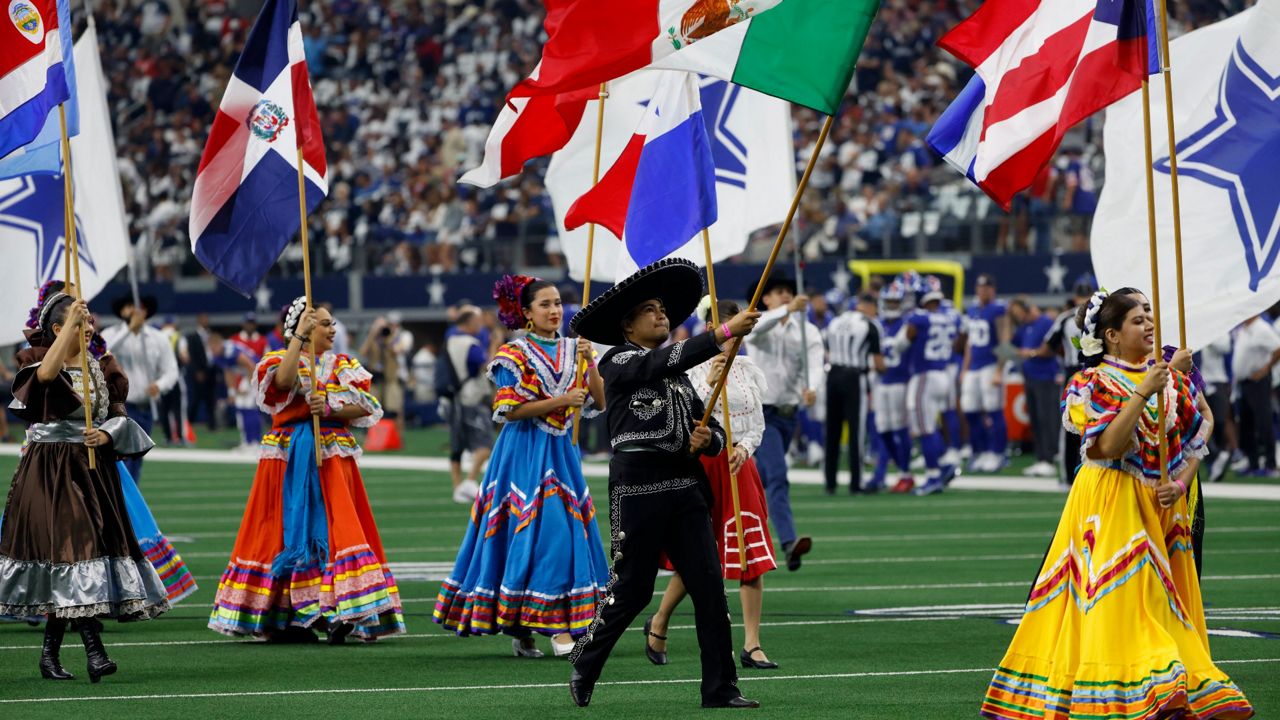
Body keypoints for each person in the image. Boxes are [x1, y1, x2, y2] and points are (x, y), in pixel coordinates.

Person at [980, 288, 1253, 719]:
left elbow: (1197, 442)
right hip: (1110, 500)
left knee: (1163, 601)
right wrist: (1142, 393)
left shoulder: (1170, 380)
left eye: (1149, 315)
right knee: (1125, 600)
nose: (1149, 324)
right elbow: (1105, 447)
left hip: (1162, 508)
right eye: (1137, 319)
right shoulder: (1091, 383)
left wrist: (1180, 486)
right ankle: (1145, 688)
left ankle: (1162, 690)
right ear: (1111, 334)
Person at [567, 258, 761, 709]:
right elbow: (661, 360)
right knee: (632, 589)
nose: (662, 316)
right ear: (628, 325)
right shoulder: (618, 361)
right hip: (638, 490)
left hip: (686, 489)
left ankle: (720, 688)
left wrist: (706, 439)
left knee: (709, 588)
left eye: (663, 310)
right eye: (650, 310)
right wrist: (723, 333)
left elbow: (711, 428)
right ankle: (585, 660)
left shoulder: (678, 377)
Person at [209, 298, 405, 643]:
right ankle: (287, 616)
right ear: (303, 327)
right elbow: (282, 384)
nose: (332, 329)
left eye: (332, 323)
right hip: (288, 455)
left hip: (331, 455)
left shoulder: (341, 363)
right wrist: (298, 340)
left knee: (334, 529)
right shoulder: (277, 360)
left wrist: (327, 405)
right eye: (325, 323)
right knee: (281, 530)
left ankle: (336, 609)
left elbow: (366, 405)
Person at [434, 275, 609, 659]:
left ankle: (527, 622)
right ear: (526, 313)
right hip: (523, 453)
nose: (554, 310)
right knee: (538, 533)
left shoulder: (574, 349)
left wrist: (590, 361)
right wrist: (560, 400)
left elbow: (599, 401)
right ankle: (550, 626)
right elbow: (508, 410)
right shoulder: (513, 356)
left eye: (558, 303)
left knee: (559, 533)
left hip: (561, 453)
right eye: (544, 304)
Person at [1, 291, 169, 682]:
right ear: (58, 329)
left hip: (92, 470)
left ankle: (50, 656)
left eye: (90, 320)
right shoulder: (37, 361)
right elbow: (44, 379)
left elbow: (118, 414)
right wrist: (69, 327)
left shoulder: (101, 367)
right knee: (77, 551)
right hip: (50, 469)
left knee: (75, 559)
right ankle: (95, 652)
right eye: (80, 321)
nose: (90, 326)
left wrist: (107, 436)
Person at [647, 296, 780, 671]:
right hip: (704, 467)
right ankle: (659, 620)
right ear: (714, 329)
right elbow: (689, 417)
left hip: (740, 465)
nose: (742, 335)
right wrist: (708, 382)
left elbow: (757, 422)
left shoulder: (749, 369)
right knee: (702, 556)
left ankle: (752, 644)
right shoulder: (688, 368)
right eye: (737, 327)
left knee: (750, 556)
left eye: (746, 329)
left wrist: (746, 448)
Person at [742, 274, 820, 571]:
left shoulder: (807, 331)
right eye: (778, 292)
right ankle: (788, 543)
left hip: (789, 415)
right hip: (762, 414)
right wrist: (785, 312)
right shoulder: (760, 325)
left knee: (759, 480)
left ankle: (730, 533)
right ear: (766, 299)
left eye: (788, 291)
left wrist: (814, 388)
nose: (786, 295)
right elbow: (754, 330)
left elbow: (814, 364)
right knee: (777, 475)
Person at [101, 294, 179, 481]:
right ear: (121, 311)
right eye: (129, 306)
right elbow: (102, 354)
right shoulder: (110, 334)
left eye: (139, 307)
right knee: (122, 458)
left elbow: (171, 370)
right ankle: (122, 501)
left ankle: (129, 502)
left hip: (146, 408)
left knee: (137, 459)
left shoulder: (158, 338)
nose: (135, 311)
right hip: (119, 407)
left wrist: (159, 385)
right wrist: (129, 330)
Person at [897, 281, 962, 495]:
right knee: (929, 427)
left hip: (925, 375)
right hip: (943, 373)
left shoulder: (919, 318)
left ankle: (933, 475)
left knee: (924, 429)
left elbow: (903, 343)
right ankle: (943, 463)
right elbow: (960, 340)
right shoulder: (950, 316)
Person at [822, 292, 883, 494]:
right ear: (871, 305)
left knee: (832, 430)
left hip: (833, 376)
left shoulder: (836, 321)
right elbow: (878, 362)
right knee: (856, 431)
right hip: (854, 377)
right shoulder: (870, 324)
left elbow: (826, 350)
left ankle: (830, 482)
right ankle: (856, 483)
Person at [442, 307, 501, 504]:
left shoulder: (450, 340)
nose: (480, 325)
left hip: (456, 397)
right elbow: (487, 365)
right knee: (485, 444)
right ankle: (468, 482)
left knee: (457, 444)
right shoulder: (470, 343)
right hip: (472, 397)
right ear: (468, 323)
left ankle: (457, 486)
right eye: (477, 322)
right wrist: (495, 345)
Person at [1044, 281, 1094, 485]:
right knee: (1096, 424)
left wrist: (1029, 353)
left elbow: (1048, 346)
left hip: (1074, 374)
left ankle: (1068, 476)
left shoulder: (1066, 318)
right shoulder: (1102, 314)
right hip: (1098, 372)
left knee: (1070, 425)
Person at [960, 274, 1010, 473]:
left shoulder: (998, 309)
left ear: (992, 289)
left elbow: (1005, 340)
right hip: (974, 367)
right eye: (980, 287)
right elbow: (969, 344)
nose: (983, 291)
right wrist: (964, 369)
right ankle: (979, 451)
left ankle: (997, 452)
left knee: (993, 409)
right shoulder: (972, 309)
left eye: (986, 287)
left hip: (990, 365)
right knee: (970, 409)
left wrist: (999, 370)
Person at [871, 281, 917, 493]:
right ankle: (901, 470)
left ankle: (905, 473)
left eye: (894, 301)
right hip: (882, 382)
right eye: (888, 301)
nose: (891, 305)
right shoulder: (878, 324)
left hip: (901, 381)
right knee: (884, 429)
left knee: (900, 428)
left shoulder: (908, 323)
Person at [1009, 296, 1060, 477]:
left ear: (1029, 309)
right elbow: (1011, 342)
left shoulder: (1045, 323)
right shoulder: (1024, 327)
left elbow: (1050, 349)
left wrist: (1030, 353)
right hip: (1030, 377)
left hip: (1045, 376)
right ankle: (1041, 458)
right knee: (1036, 419)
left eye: (1019, 313)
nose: (1018, 317)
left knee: (1046, 418)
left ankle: (1049, 457)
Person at [1231, 314, 1280, 478]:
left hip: (1258, 382)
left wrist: (1265, 370)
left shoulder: (1261, 328)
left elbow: (1277, 348)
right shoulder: (1244, 329)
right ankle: (1253, 463)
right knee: (1246, 424)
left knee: (1263, 422)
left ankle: (1270, 464)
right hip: (1244, 383)